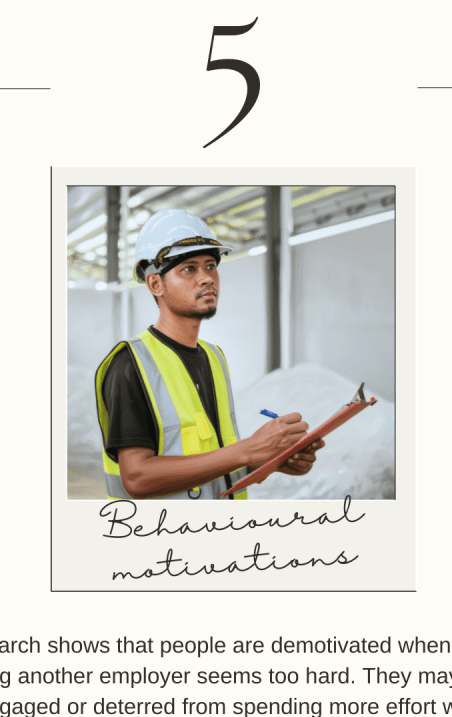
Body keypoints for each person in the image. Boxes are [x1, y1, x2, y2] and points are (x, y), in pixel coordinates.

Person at [95, 209, 324, 500]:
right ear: (155, 284)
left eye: (211, 266)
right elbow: (137, 478)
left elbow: (213, 460)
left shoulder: (214, 357)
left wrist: (270, 458)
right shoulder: (130, 364)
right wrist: (247, 449)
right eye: (189, 268)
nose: (207, 278)